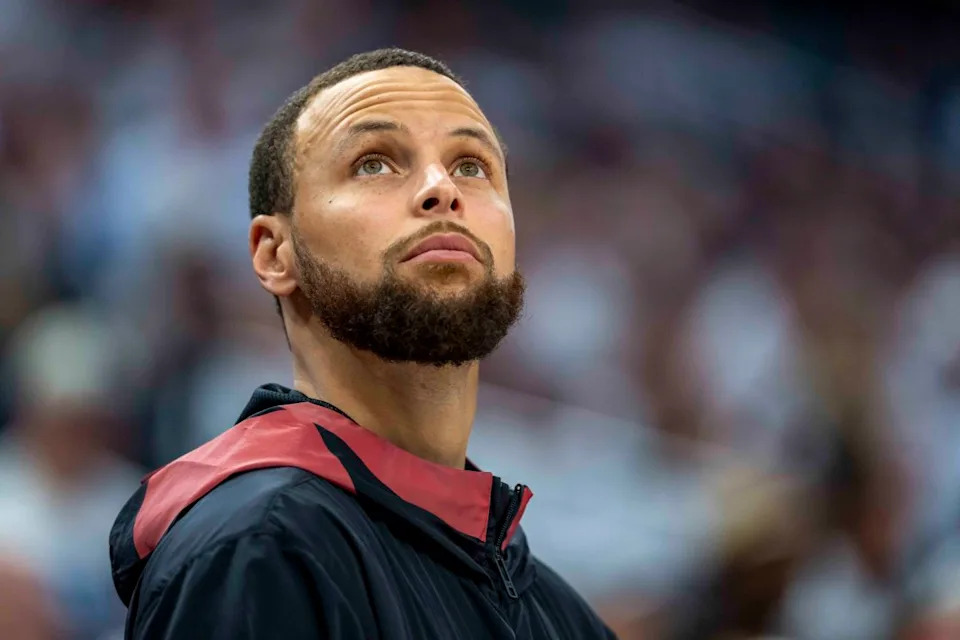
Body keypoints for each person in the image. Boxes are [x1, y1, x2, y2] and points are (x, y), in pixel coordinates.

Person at [109, 48, 617, 639]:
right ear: (275, 253)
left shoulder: (561, 614)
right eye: (374, 163)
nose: (442, 190)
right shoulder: (260, 547)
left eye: (473, 166)